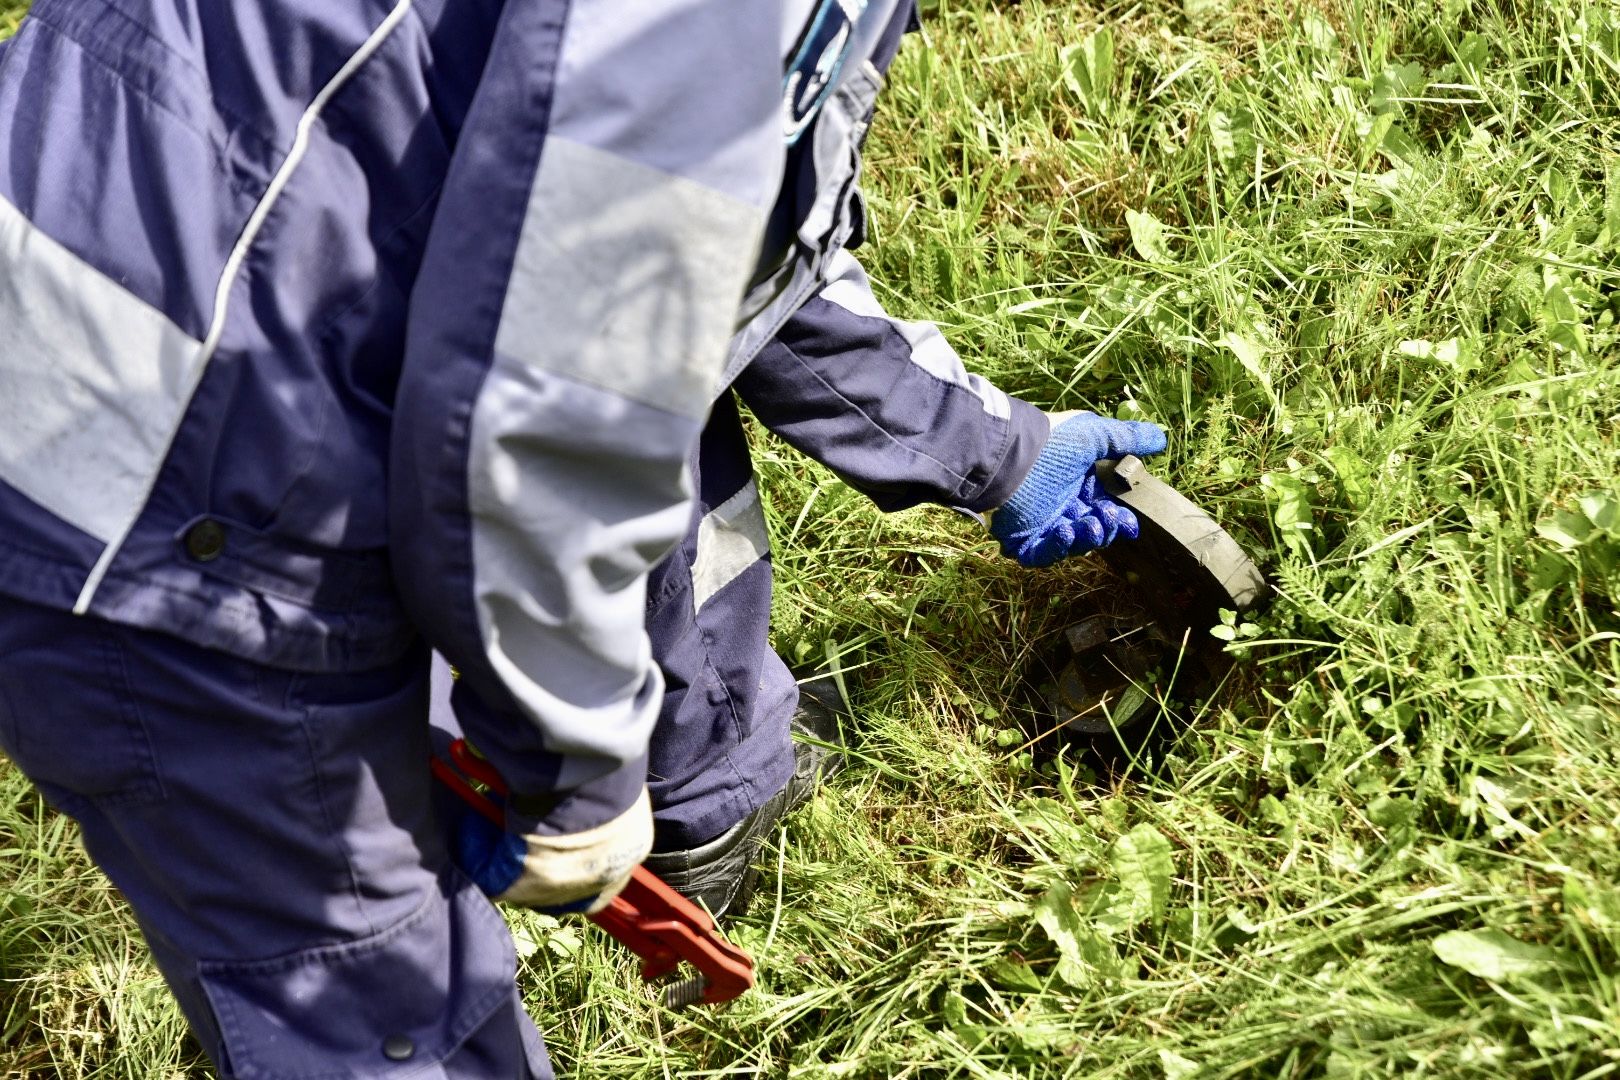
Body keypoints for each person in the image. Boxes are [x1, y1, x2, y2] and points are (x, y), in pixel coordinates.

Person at [0, 0, 1164, 1076]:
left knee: (650, 384)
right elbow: (552, 410)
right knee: (386, 1022)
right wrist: (570, 776)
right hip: (141, 491)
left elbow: (707, 242)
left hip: (166, 282)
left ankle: (708, 786)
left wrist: (993, 446)